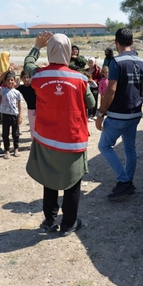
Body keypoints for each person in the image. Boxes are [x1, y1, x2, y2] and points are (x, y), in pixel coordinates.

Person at [24, 31, 95, 235]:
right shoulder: (80, 79)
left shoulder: (38, 76)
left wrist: (36, 46)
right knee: (72, 183)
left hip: (46, 139)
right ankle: (68, 224)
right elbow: (91, 103)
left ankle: (49, 220)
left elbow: (28, 63)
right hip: (72, 140)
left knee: (50, 178)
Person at [96, 28, 143, 200]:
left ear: (116, 42)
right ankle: (128, 182)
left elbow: (111, 90)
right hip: (135, 113)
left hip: (119, 115)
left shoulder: (116, 62)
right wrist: (136, 105)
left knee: (104, 146)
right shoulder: (142, 62)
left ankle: (124, 181)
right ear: (132, 42)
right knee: (130, 148)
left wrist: (101, 112)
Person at [0, 70, 22, 159]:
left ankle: (16, 149)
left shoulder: (17, 92)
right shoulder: (3, 90)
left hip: (14, 115)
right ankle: (7, 150)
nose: (10, 82)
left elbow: (19, 104)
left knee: (15, 133)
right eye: (8, 80)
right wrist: (0, 76)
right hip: (5, 115)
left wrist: (20, 116)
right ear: (5, 81)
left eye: (11, 80)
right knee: (5, 133)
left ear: (14, 81)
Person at [17, 70, 36, 136]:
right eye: (24, 77)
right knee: (32, 128)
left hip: (38, 108)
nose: (26, 79)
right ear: (21, 78)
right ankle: (33, 143)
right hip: (30, 109)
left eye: (27, 77)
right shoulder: (21, 88)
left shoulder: (34, 86)